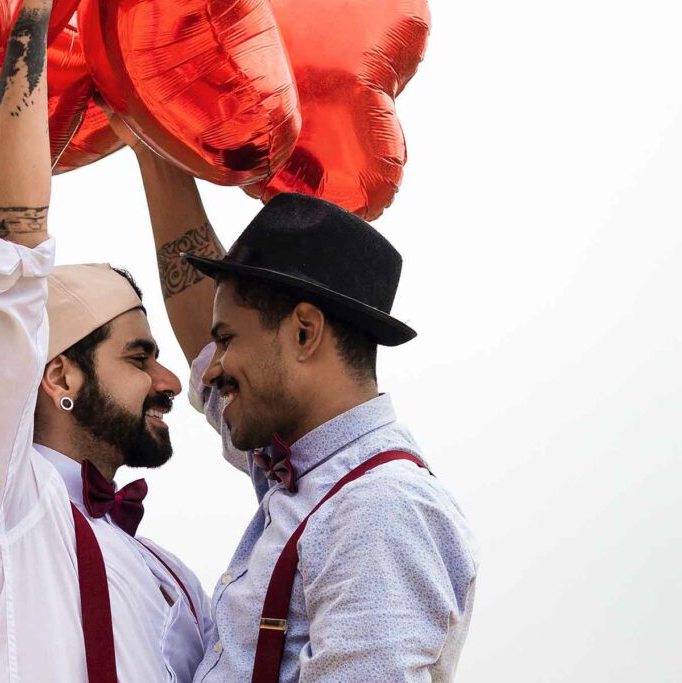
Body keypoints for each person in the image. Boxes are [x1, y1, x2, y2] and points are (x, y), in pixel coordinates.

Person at [109, 118, 479, 680]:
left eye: (228, 340)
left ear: (304, 333)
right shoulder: (305, 471)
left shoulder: (377, 509)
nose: (217, 366)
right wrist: (152, 147)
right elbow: (202, 350)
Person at [0, 2, 213, 680]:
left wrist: (149, 115)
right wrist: (32, 19)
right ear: (59, 378)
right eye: (140, 355)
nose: (172, 381)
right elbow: (3, 273)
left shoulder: (177, 580)